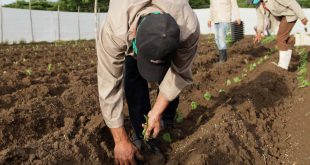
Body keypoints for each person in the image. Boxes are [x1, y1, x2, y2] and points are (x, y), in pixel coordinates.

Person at [96, 0, 200, 164]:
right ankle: (141, 136)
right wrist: (120, 140)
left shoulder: (188, 27)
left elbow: (179, 71)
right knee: (132, 71)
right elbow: (108, 85)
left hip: (174, 27)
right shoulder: (115, 29)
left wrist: (157, 111)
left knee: (170, 77)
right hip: (127, 27)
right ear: (135, 35)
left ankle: (165, 119)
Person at [253, 0, 310, 70]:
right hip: (281, 18)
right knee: (286, 40)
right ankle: (307, 40)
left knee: (280, 38)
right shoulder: (258, 5)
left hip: (290, 14)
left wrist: (302, 17)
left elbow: (292, 2)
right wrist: (259, 33)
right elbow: (260, 18)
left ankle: (283, 66)